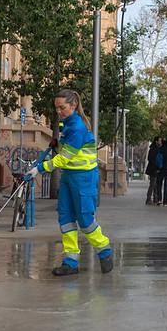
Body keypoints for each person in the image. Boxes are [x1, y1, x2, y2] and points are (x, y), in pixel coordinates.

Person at [27, 89, 113, 276]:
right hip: (69, 178)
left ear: (73, 106)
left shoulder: (77, 127)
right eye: (56, 108)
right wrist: (56, 144)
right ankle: (71, 261)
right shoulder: (67, 125)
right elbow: (67, 154)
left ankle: (104, 249)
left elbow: (65, 158)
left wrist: (39, 169)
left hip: (84, 179)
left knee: (85, 219)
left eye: (62, 108)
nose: (59, 111)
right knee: (65, 219)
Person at [145, 137, 163, 205]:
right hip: (154, 169)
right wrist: (157, 168)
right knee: (152, 185)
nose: (160, 142)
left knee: (155, 185)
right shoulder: (154, 149)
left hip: (154, 169)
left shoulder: (155, 149)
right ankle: (148, 199)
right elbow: (152, 160)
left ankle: (155, 199)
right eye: (159, 141)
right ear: (156, 141)